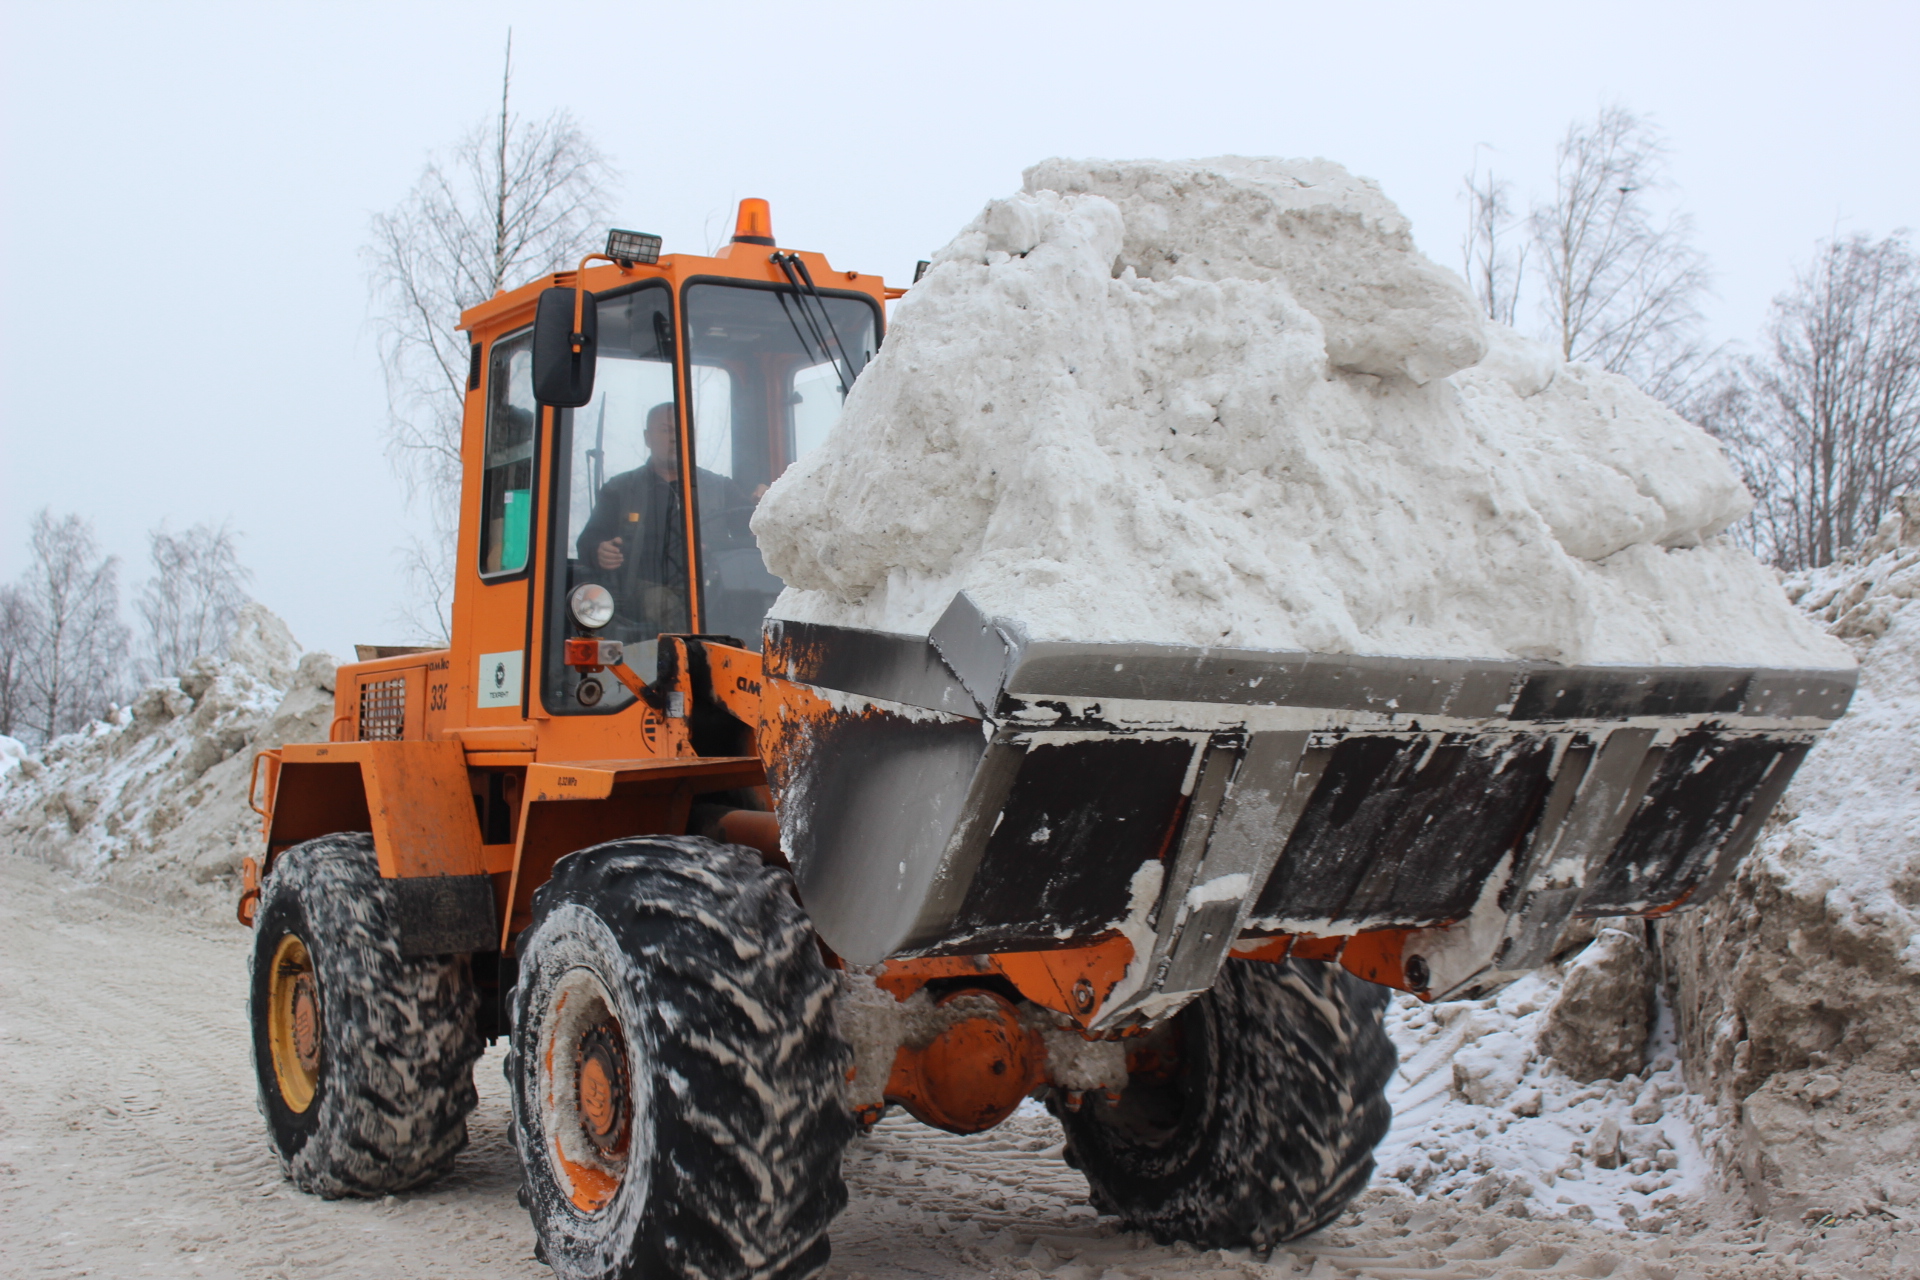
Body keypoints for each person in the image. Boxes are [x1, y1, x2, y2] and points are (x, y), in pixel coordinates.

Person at [575, 402, 756, 637]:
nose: (675, 439)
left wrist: (764, 506)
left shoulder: (721, 488)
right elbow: (588, 541)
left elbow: (755, 534)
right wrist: (598, 551)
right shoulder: (620, 489)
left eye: (682, 432)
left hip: (712, 588)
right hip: (643, 589)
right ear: (647, 437)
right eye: (666, 430)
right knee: (664, 604)